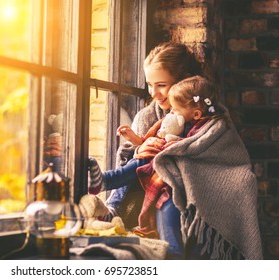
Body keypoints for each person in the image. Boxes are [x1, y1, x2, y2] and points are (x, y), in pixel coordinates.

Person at [85, 42, 263, 260]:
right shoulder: (148, 117)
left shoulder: (211, 116)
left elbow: (228, 160)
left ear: (182, 82)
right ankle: (108, 197)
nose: (154, 93)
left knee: (171, 206)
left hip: (188, 191)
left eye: (161, 85)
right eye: (149, 85)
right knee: (143, 165)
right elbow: (131, 163)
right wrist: (140, 149)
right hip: (151, 188)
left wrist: (174, 156)